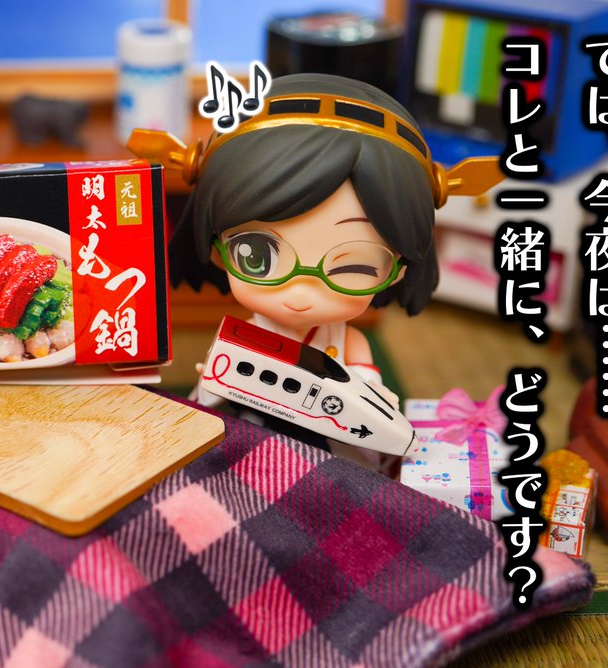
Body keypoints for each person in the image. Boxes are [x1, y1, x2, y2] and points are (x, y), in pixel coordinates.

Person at [130, 73, 501, 456]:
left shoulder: (348, 342)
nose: (300, 294)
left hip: (327, 444)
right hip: (250, 430)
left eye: (353, 267)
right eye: (256, 256)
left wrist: (374, 399)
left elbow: (367, 393)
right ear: (216, 250)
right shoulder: (249, 334)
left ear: (399, 271)